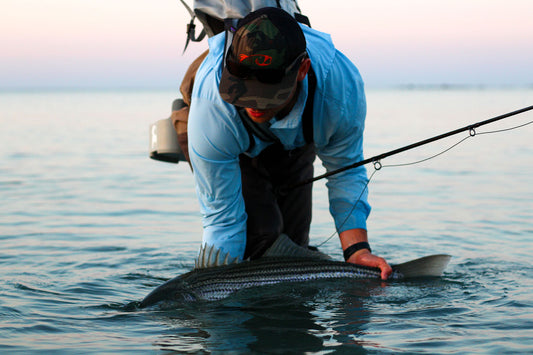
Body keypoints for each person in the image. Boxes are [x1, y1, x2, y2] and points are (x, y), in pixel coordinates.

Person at [187, 7, 392, 279]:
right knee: (262, 237)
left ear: (302, 70)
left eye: (267, 92)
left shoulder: (339, 91)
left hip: (298, 139)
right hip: (230, 142)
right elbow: (223, 221)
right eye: (245, 90)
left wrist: (357, 251)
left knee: (293, 245)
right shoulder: (212, 107)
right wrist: (219, 299)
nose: (255, 104)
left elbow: (345, 170)